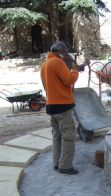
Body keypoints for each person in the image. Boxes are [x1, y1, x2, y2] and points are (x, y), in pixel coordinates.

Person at [40, 41, 79, 175]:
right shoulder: (57, 62)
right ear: (61, 51)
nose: (66, 56)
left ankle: (57, 163)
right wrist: (75, 70)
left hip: (51, 105)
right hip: (62, 106)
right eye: (65, 53)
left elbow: (48, 87)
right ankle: (66, 166)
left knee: (57, 136)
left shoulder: (44, 65)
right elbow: (69, 80)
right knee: (68, 136)